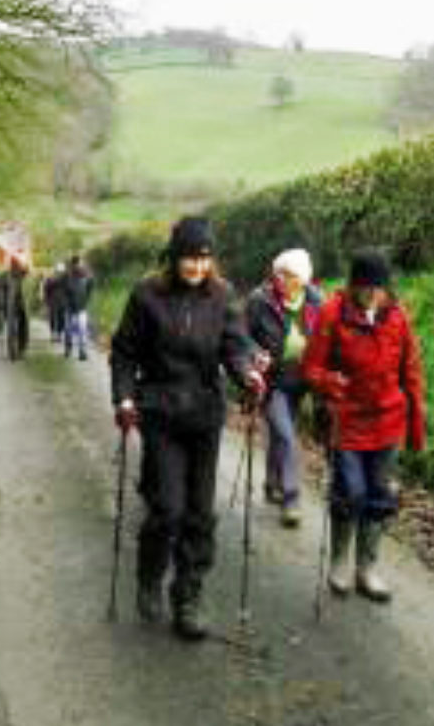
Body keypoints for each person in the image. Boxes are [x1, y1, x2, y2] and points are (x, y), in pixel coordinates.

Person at [109, 216, 267, 640]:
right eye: (189, 257)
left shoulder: (222, 296)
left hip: (204, 416)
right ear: (174, 256)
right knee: (166, 508)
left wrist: (247, 375)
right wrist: (124, 397)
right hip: (160, 414)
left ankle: (188, 596)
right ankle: (150, 574)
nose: (197, 266)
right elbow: (124, 353)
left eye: (204, 258)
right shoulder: (147, 295)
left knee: (199, 513)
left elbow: (234, 347)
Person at [301, 249, 426, 603]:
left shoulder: (398, 318)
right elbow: (310, 367)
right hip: (347, 421)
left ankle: (366, 569)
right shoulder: (332, 313)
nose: (373, 294)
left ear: (388, 288)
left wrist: (415, 428)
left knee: (379, 495)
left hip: (388, 421)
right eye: (366, 287)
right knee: (350, 492)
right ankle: (339, 562)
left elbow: (411, 373)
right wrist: (330, 383)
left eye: (379, 288)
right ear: (353, 285)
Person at [245, 248, 324, 528]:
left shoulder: (316, 301)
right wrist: (255, 354)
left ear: (302, 279)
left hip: (303, 380)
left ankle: (271, 482)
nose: (280, 278)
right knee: (287, 436)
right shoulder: (260, 300)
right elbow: (241, 337)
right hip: (273, 380)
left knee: (282, 434)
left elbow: (326, 338)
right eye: (277, 272)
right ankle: (291, 499)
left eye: (287, 274)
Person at [62, 254, 93, 360]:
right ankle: (69, 348)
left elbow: (90, 288)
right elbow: (63, 290)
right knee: (69, 330)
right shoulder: (67, 276)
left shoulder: (87, 275)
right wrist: (66, 302)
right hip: (70, 307)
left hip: (81, 307)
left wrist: (86, 300)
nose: (79, 265)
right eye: (78, 263)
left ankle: (82, 351)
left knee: (82, 330)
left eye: (80, 263)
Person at [5, 257, 30, 360]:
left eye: (16, 265)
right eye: (14, 265)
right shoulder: (6, 277)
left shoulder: (22, 275)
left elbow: (27, 272)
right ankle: (13, 351)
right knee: (12, 329)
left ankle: (21, 349)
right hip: (12, 305)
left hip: (21, 305)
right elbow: (2, 291)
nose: (14, 266)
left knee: (22, 328)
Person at [43, 263, 67, 343]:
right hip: (53, 302)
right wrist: (46, 300)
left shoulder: (65, 280)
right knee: (53, 318)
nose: (59, 273)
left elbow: (68, 289)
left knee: (60, 318)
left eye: (61, 272)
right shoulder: (50, 280)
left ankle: (58, 334)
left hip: (61, 302)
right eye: (58, 272)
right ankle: (54, 334)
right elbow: (46, 290)